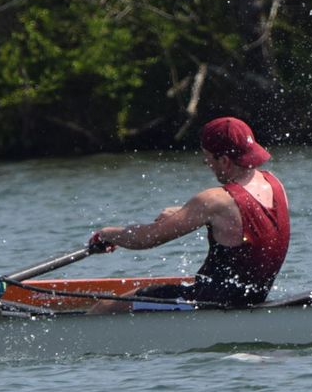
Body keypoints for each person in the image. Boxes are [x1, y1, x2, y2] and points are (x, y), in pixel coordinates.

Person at [87, 117, 289, 312]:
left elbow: (145, 239)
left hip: (208, 303)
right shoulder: (275, 184)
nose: (207, 165)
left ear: (225, 161)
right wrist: (185, 214)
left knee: (106, 307)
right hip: (251, 298)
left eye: (207, 159)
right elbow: (243, 218)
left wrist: (106, 234)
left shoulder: (214, 200)